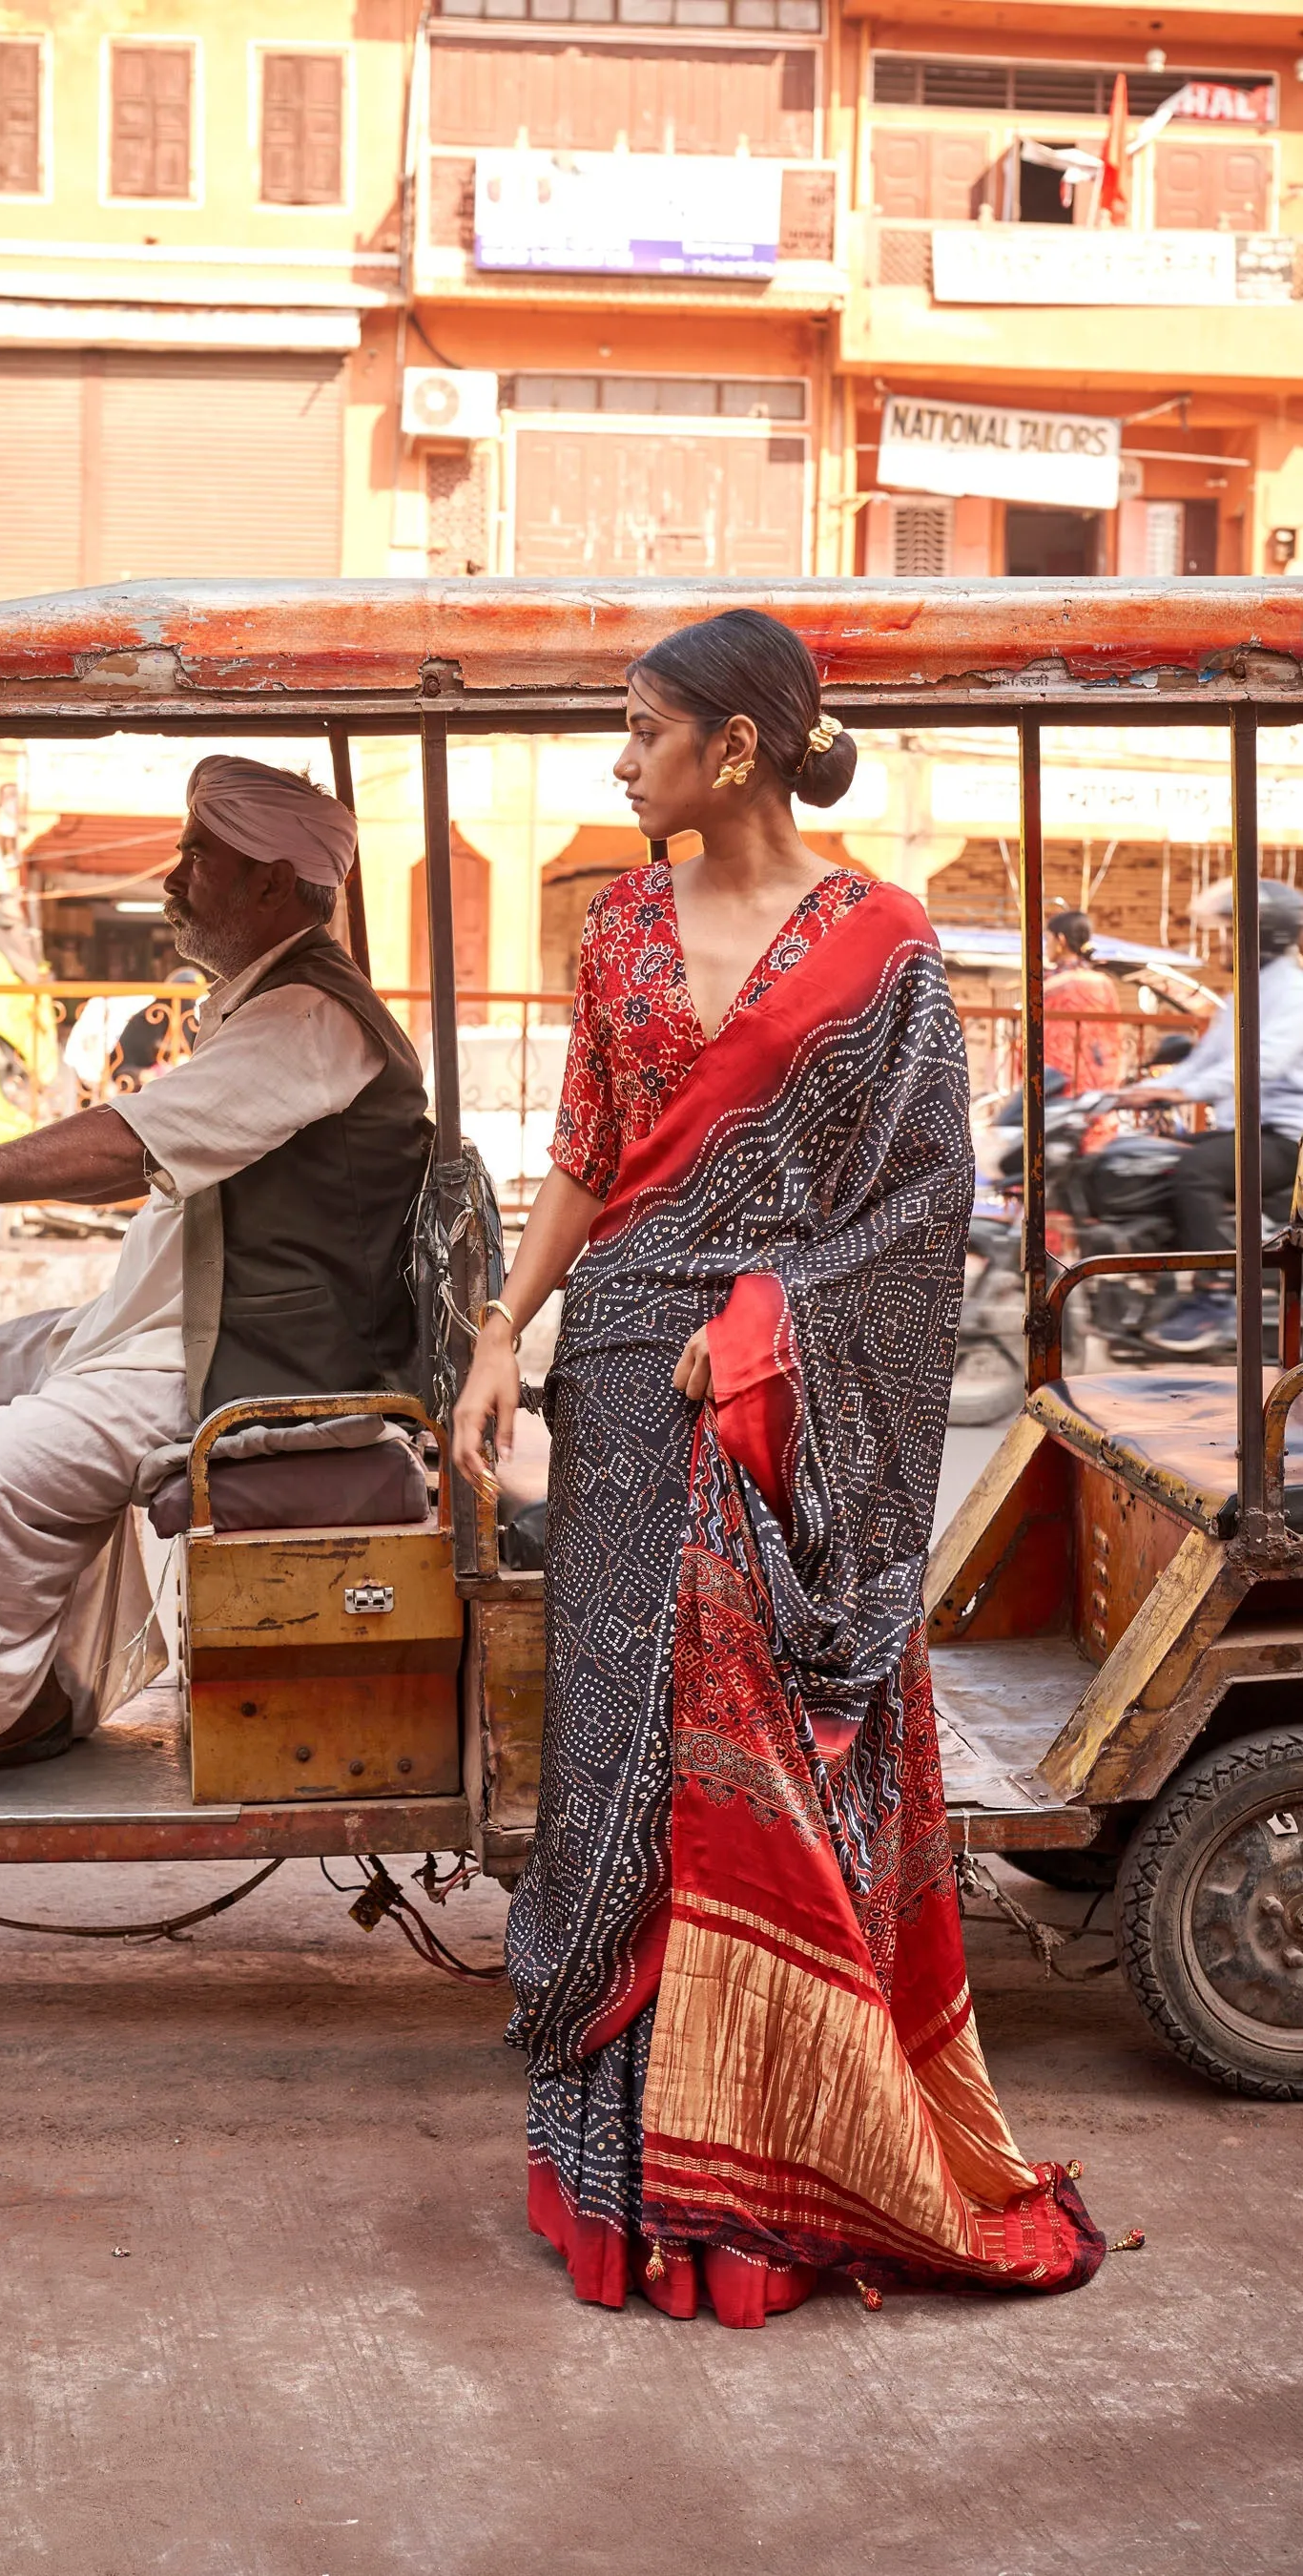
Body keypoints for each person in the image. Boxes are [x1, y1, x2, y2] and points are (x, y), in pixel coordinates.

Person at [451, 609, 1103, 2325]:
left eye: (641, 731)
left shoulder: (886, 951)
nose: (617, 762)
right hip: (617, 1384)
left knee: (755, 1771)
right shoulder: (618, 932)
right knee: (618, 1766)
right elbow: (588, 1154)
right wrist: (500, 1332)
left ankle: (764, 2189)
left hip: (775, 1404)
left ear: (734, 750)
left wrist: (763, 1327)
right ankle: (624, 2186)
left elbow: (919, 1213)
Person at [0, 758, 431, 1796]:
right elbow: (142, 1146)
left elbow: (125, 1146)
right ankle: (35, 1674)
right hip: (186, 1315)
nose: (175, 873)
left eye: (200, 855)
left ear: (270, 885)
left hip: (249, 1356)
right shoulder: (264, 1005)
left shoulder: (309, 1022)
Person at [1138, 878, 1303, 1356]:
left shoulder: (1291, 992)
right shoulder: (1242, 994)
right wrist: (1130, 1093)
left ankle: (1215, 1301)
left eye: (1234, 931)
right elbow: (1204, 1062)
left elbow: (1258, 1063)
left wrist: (1177, 1090)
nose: (1227, 942)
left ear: (1263, 933)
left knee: (1192, 1173)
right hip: (1240, 1130)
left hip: (1281, 1138)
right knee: (1149, 1160)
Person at [1043, 908, 1123, 1094]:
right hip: (1097, 1078)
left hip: (1055, 1080)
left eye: (1048, 939)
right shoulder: (1102, 982)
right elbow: (1113, 1034)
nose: (1046, 946)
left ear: (1060, 940)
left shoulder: (1050, 985)